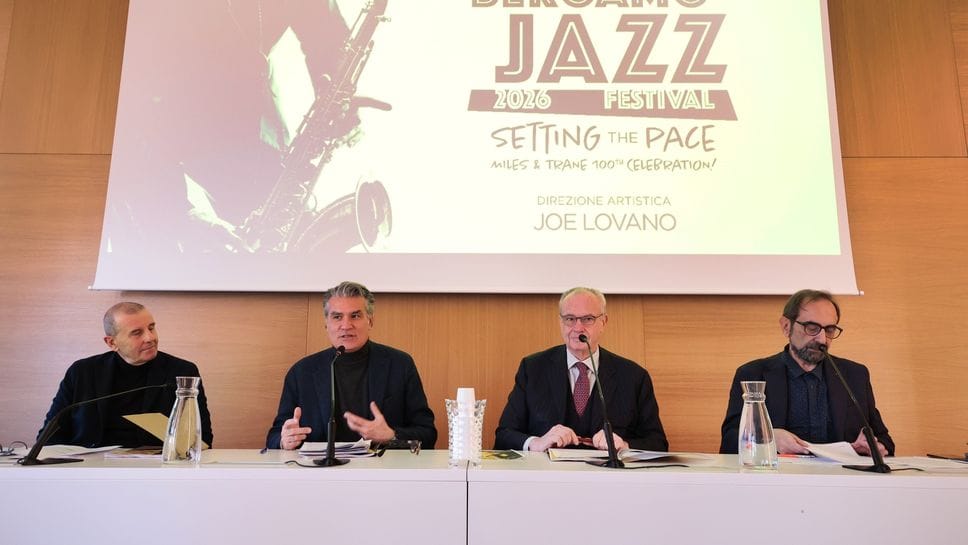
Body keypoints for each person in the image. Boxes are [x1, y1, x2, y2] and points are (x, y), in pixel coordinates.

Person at [719, 289, 895, 456]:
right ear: (786, 326)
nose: (822, 338)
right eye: (812, 328)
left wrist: (873, 446)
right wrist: (769, 437)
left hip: (840, 481)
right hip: (778, 481)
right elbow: (729, 443)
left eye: (830, 329)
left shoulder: (854, 375)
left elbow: (885, 440)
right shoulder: (752, 374)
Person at [266, 281, 436, 450]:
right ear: (326, 323)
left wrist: (391, 436)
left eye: (355, 316)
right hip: (319, 473)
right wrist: (284, 440)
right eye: (337, 317)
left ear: (370, 321)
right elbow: (274, 437)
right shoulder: (302, 372)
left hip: (381, 472)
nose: (346, 326)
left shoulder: (400, 365)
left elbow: (428, 434)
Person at [494, 287, 668, 452]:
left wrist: (624, 445)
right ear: (560, 322)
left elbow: (658, 443)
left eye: (587, 319)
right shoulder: (532, 369)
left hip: (610, 480)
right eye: (570, 319)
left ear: (603, 322)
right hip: (548, 478)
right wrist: (536, 443)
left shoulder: (633, 377)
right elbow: (504, 436)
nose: (578, 328)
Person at [39, 302, 213, 448]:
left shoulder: (182, 372)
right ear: (112, 342)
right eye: (137, 333)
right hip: (91, 471)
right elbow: (50, 438)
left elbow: (202, 438)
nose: (150, 337)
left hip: (156, 470)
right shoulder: (82, 372)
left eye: (151, 328)